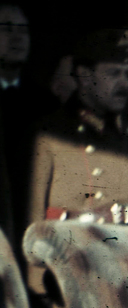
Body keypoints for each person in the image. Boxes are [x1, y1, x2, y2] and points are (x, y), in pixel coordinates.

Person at [27, 28, 128, 295]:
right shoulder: (50, 135)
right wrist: (37, 287)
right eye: (113, 74)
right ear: (85, 77)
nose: (124, 83)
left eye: (127, 75)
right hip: (69, 282)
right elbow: (32, 216)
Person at [0, 4, 50, 246]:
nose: (17, 37)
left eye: (23, 30)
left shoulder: (44, 104)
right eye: (7, 29)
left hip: (29, 226)